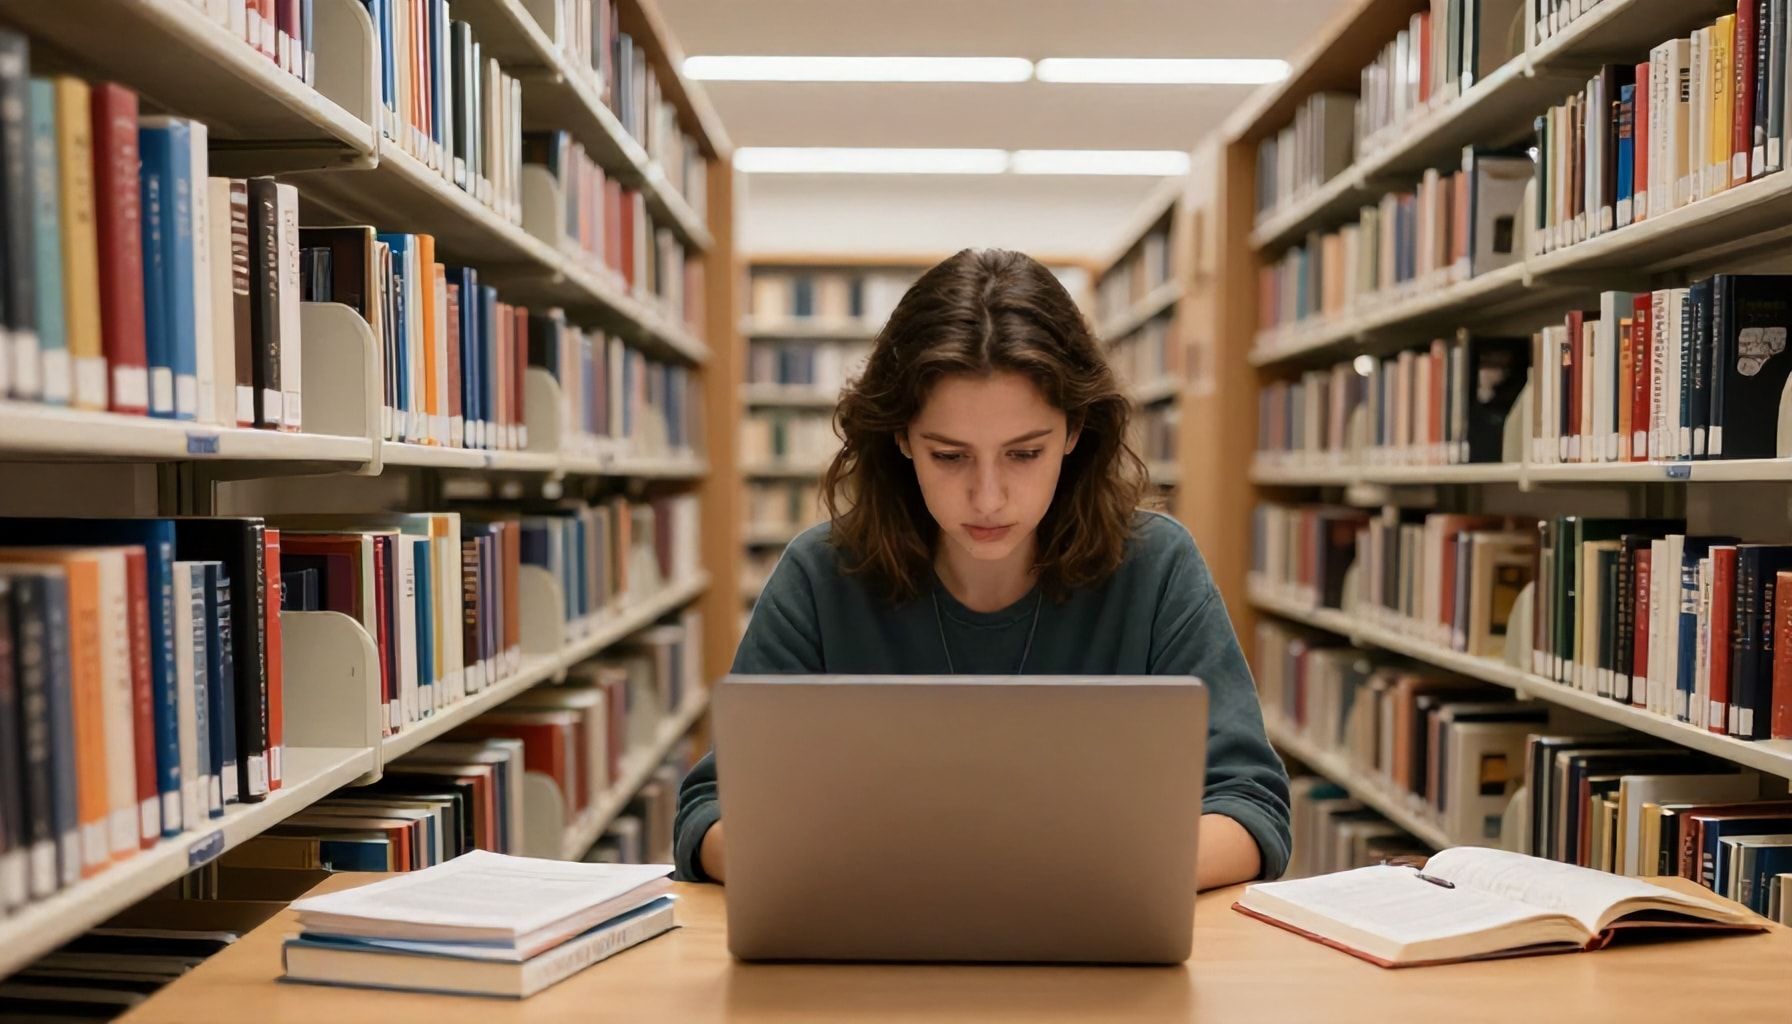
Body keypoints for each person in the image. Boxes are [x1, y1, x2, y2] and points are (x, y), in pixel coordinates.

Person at [676, 248, 1289, 889]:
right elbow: (713, 811)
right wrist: (859, 874)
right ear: (902, 437)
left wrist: (1054, 881)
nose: (988, 498)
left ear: (1074, 431)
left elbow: (1249, 805)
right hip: (871, 935)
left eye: (1024, 454)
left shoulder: (1156, 569)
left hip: (1090, 929)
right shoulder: (820, 575)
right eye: (950, 456)